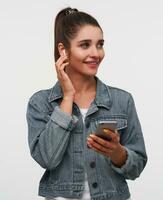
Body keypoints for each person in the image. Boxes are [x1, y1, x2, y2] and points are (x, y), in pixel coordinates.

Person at [26, 7, 147, 200]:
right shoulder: (40, 103)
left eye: (100, 44)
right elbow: (47, 159)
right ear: (63, 50)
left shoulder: (122, 101)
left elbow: (137, 167)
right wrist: (67, 97)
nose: (96, 53)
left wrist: (117, 152)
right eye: (85, 45)